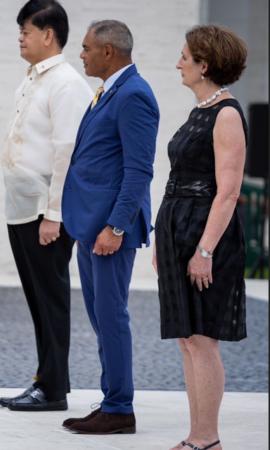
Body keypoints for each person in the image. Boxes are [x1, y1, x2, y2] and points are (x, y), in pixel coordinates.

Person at [61, 20, 159, 434]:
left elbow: (139, 171)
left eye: (85, 48)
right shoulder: (110, 90)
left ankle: (120, 408)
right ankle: (111, 400)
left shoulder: (134, 94)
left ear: (108, 52)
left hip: (110, 231)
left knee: (111, 316)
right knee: (101, 318)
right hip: (91, 226)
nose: (79, 54)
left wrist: (116, 228)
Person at [154, 25, 248, 450]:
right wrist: (162, 241)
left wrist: (205, 250)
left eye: (184, 57)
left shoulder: (226, 114)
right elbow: (179, 181)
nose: (178, 64)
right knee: (186, 338)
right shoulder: (200, 111)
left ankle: (207, 439)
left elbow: (227, 191)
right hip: (179, 233)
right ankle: (197, 436)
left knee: (203, 340)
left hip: (206, 237)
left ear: (204, 64)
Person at [0, 0, 91, 412]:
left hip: (43, 212)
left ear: (48, 34)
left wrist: (54, 214)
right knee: (38, 300)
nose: (20, 37)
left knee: (51, 300)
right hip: (22, 207)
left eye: (26, 30)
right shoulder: (31, 79)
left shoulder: (66, 83)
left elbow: (66, 153)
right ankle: (45, 380)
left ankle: (53, 390)